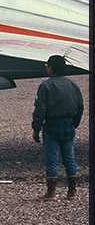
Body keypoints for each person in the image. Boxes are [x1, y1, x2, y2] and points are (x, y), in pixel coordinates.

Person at [31, 55, 84, 201]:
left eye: (47, 65)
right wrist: (74, 124)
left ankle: (51, 192)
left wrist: (36, 129)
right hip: (68, 124)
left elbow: (40, 109)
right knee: (69, 158)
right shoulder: (73, 85)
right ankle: (72, 191)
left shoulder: (46, 86)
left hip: (52, 125)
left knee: (52, 159)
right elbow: (80, 107)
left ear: (51, 68)